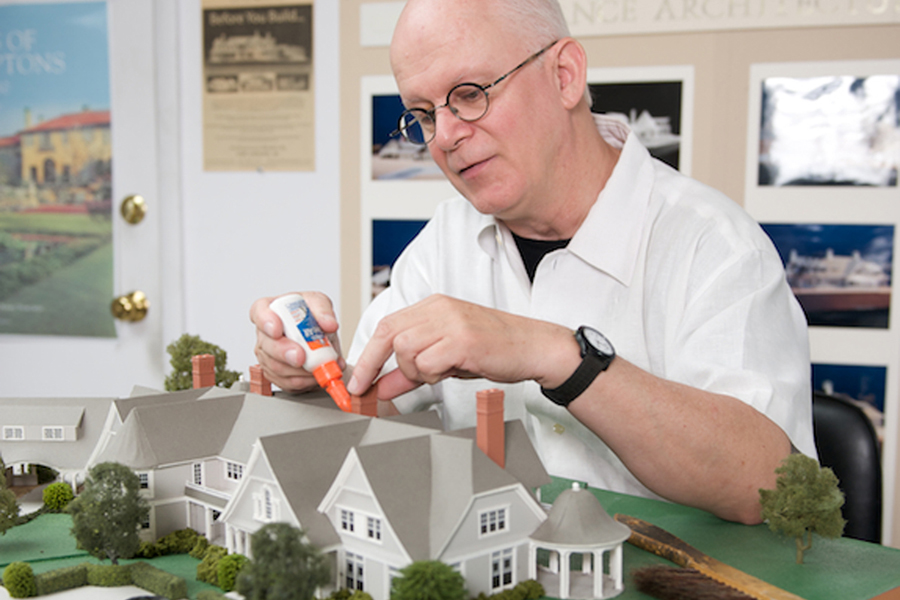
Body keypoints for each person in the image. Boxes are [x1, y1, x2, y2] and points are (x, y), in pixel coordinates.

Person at [251, 0, 815, 525]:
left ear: (565, 76)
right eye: (423, 114)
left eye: (470, 93)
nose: (445, 136)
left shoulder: (711, 243)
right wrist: (308, 375)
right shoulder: (443, 241)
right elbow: (373, 415)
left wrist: (553, 353)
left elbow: (768, 484)